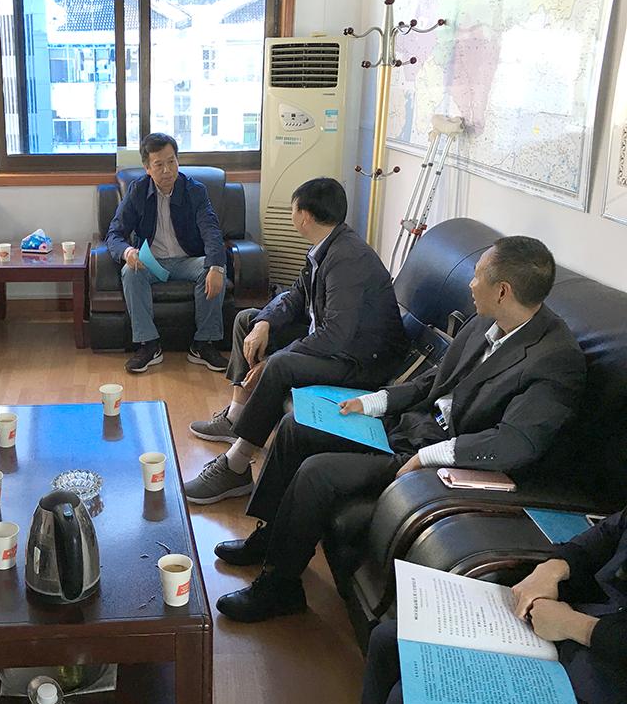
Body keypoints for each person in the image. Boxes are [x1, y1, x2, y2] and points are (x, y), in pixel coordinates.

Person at [212, 236, 587, 622]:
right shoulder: (487, 321)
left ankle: (280, 587)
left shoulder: (555, 360)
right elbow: (436, 380)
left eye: (477, 277)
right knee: (296, 427)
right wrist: (375, 401)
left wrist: (427, 456)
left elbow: (515, 442)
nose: (471, 284)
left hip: (443, 459)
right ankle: (270, 537)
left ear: (503, 291)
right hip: (410, 426)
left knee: (317, 472)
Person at [184, 177, 407, 504]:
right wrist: (263, 322)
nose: (291, 215)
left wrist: (276, 358)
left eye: (293, 209)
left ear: (304, 216)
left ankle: (236, 465)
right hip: (335, 344)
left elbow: (336, 335)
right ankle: (236, 416)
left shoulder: (348, 259)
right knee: (247, 320)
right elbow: (294, 296)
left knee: (280, 365)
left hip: (360, 361)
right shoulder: (325, 248)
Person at [361, 508, 627, 704]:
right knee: (388, 639)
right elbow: (610, 530)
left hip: (607, 668)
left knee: (406, 698)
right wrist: (554, 567)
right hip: (586, 620)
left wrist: (578, 627)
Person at [105, 133, 228, 374]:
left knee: (213, 268)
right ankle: (149, 345)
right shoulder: (138, 191)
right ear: (147, 168)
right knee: (130, 271)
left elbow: (212, 231)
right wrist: (127, 251)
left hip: (188, 260)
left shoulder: (195, 191)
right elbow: (114, 233)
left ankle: (203, 344)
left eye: (171, 161)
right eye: (159, 164)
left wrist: (216, 266)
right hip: (152, 263)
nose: (167, 170)